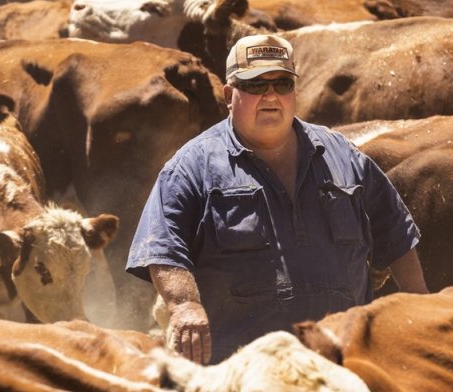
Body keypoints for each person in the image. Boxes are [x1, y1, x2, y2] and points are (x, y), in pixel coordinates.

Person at [127, 34, 428, 364]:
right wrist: (185, 305)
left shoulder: (342, 156)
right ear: (230, 95)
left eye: (282, 84)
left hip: (339, 363)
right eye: (255, 85)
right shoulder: (192, 166)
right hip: (243, 368)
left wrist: (420, 303)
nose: (271, 95)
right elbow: (162, 248)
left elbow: (396, 232)